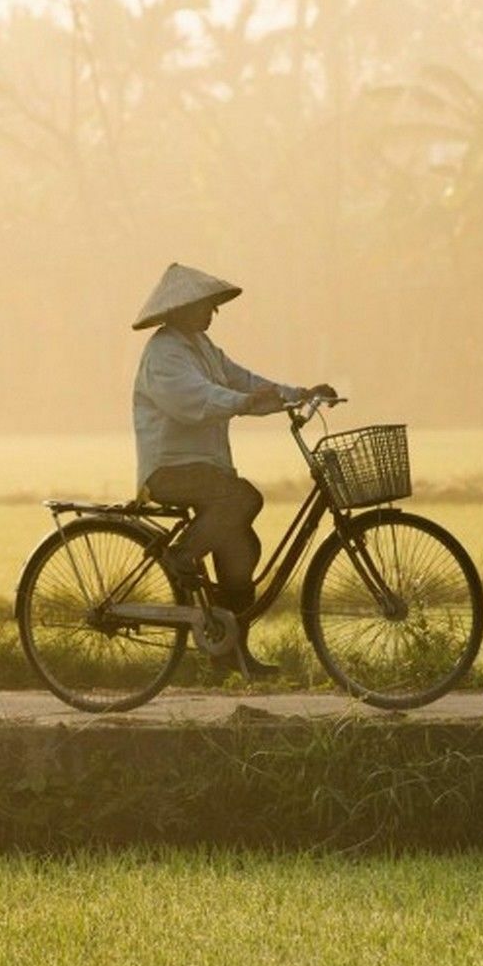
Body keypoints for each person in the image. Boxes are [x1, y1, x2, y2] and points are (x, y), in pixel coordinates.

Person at [130, 263, 335, 676]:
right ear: (183, 308)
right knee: (244, 497)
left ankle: (230, 654)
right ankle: (181, 555)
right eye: (207, 305)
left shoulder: (202, 347)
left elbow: (242, 379)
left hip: (205, 471)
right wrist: (244, 403)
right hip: (170, 470)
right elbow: (196, 400)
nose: (213, 313)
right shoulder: (164, 354)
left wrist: (296, 394)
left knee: (242, 548)